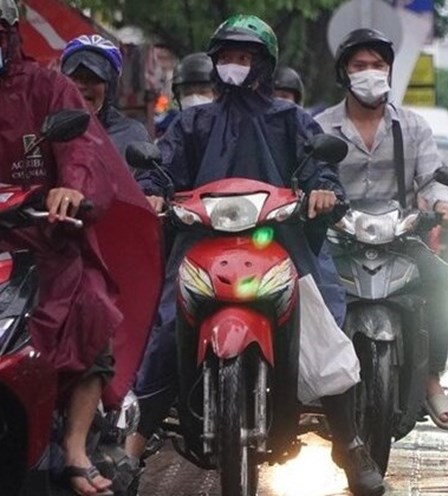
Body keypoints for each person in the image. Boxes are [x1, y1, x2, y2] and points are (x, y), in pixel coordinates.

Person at [128, 15, 384, 495]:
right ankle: (130, 450)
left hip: (278, 242)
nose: (233, 66)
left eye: (243, 58)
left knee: (323, 324)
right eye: (226, 57)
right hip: (200, 245)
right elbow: (160, 169)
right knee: (165, 325)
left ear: (263, 64)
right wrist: (152, 192)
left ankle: (350, 444)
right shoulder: (192, 120)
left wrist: (323, 192)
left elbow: (319, 167)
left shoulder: (290, 120)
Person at [0, 2, 161, 495]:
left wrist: (68, 188)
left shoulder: (47, 86)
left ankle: (73, 448)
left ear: (8, 33)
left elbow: (82, 153)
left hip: (44, 238)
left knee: (91, 302)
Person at [316, 28, 448, 431]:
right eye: (359, 66)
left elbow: (431, 179)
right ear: (344, 72)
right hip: (337, 242)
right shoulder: (320, 127)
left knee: (443, 281)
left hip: (400, 239)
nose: (369, 73)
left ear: (390, 72)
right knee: (300, 289)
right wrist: (315, 196)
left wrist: (442, 203)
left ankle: (432, 378)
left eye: (377, 66)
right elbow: (308, 175)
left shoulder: (413, 127)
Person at [60, 35, 151, 158]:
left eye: (92, 78)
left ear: (109, 88)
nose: (81, 86)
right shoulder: (44, 130)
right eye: (75, 78)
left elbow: (148, 175)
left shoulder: (131, 135)